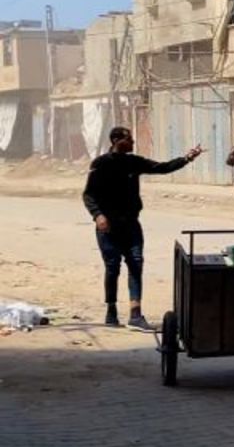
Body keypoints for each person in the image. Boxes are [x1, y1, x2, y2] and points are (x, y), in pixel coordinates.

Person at [83, 127, 204, 330]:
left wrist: (187, 158)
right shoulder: (101, 164)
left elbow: (162, 168)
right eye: (129, 139)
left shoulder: (134, 162)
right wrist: (97, 215)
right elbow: (88, 194)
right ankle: (111, 310)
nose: (133, 142)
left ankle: (135, 314)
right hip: (108, 226)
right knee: (112, 268)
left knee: (136, 264)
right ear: (116, 140)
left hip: (131, 224)